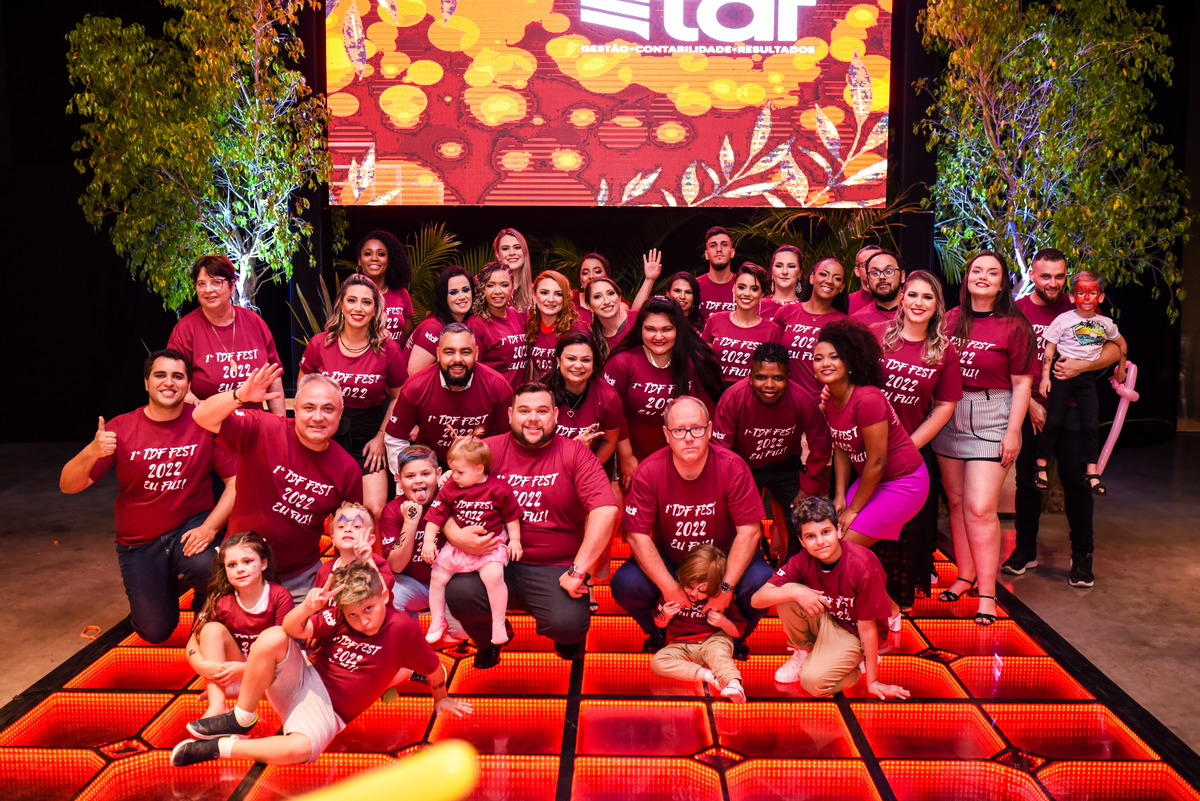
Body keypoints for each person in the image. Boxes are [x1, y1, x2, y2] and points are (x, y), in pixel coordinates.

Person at [171, 561, 472, 767]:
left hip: (329, 711)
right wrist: (307, 607)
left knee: (300, 749)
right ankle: (241, 717)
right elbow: (291, 629)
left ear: (384, 596)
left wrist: (441, 697)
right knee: (274, 636)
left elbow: (434, 667)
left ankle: (218, 748)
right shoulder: (340, 614)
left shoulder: (402, 628)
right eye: (353, 614)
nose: (363, 620)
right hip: (304, 677)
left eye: (369, 609)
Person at [60, 349, 238, 643]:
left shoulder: (204, 423)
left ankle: (204, 615)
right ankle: (160, 586)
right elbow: (69, 485)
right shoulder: (121, 427)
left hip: (190, 525)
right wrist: (92, 451)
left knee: (209, 568)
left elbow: (235, 483)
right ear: (146, 382)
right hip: (140, 541)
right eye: (160, 375)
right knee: (154, 630)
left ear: (188, 385)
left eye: (177, 376)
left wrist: (210, 527)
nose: (169, 382)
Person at [444, 383, 621, 668]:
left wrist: (578, 571)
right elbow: (445, 500)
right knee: (458, 593)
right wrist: (456, 535)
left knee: (568, 624)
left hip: (555, 566)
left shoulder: (575, 453)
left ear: (556, 415)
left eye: (542, 411)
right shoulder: (486, 451)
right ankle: (492, 638)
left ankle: (565, 638)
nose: (533, 419)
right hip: (495, 558)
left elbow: (605, 509)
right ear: (510, 415)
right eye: (524, 411)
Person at [614, 396, 773, 660]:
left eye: (696, 429)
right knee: (626, 583)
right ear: (666, 434)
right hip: (673, 562)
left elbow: (750, 531)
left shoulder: (733, 466)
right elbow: (636, 535)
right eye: (679, 430)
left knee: (763, 580)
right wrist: (669, 588)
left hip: (723, 561)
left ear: (709, 430)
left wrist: (725, 587)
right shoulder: (650, 470)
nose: (688, 438)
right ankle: (658, 632)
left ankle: (736, 637)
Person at [193, 365, 363, 601]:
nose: (318, 417)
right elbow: (201, 416)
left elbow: (353, 528)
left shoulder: (348, 469)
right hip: (241, 568)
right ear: (296, 408)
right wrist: (239, 396)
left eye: (328, 409)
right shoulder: (264, 428)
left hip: (300, 578)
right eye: (309, 408)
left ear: (340, 413)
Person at [1007, 249, 1121, 586]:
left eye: (1059, 276)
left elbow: (1113, 349)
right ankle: (1025, 550)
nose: (1053, 283)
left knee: (1076, 482)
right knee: (1027, 482)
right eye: (1045, 276)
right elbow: (1004, 362)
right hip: (1030, 408)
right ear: (1032, 275)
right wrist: (1029, 404)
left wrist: (1081, 366)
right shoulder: (1017, 311)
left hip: (1071, 409)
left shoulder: (1082, 308)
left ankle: (1082, 556)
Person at [933, 251, 1035, 625]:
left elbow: (1022, 384)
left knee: (979, 507)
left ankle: (988, 594)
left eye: (992, 272)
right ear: (967, 278)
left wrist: (1013, 432)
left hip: (993, 415)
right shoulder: (949, 320)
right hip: (949, 412)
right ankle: (965, 575)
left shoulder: (1015, 326)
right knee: (957, 502)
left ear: (1002, 283)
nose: (983, 276)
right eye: (977, 270)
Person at [751, 496, 910, 699]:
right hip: (829, 619)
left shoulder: (862, 565)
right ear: (801, 541)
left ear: (839, 531)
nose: (820, 542)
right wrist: (796, 592)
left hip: (856, 632)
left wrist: (872, 681)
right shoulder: (802, 560)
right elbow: (757, 599)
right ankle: (805, 652)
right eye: (811, 536)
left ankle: (859, 664)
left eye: (826, 532)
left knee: (812, 683)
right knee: (786, 591)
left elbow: (868, 627)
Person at [873, 271, 962, 607]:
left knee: (904, 531)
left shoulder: (944, 350)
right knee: (867, 525)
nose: (918, 303)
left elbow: (945, 405)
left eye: (928, 297)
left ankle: (895, 604)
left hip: (912, 449)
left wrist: (907, 447)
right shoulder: (877, 336)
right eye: (912, 295)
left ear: (937, 305)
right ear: (902, 298)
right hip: (866, 448)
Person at [815, 319, 930, 572]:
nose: (825, 363)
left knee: (840, 548)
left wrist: (853, 510)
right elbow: (842, 447)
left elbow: (878, 460)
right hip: (873, 480)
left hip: (904, 482)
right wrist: (840, 495)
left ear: (850, 361)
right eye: (818, 358)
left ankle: (872, 597)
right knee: (831, 541)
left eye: (834, 357)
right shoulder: (832, 399)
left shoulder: (867, 398)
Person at [298, 275, 407, 523]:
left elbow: (398, 396)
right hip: (324, 431)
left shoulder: (388, 349)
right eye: (352, 300)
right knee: (324, 509)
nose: (358, 308)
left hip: (368, 434)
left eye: (366, 302)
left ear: (375, 309)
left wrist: (381, 438)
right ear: (341, 305)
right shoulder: (319, 343)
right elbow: (304, 391)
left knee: (374, 509)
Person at [712, 342, 832, 561]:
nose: (769, 385)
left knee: (800, 519)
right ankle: (746, 566)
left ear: (788, 377)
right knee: (736, 523)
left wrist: (807, 487)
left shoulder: (802, 399)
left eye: (778, 378)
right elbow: (720, 450)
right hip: (743, 467)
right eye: (761, 377)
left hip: (785, 466)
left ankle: (791, 571)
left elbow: (821, 446)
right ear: (750, 376)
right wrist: (729, 488)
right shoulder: (733, 397)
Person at [603, 297, 726, 478]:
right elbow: (615, 416)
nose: (658, 337)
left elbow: (710, 412)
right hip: (636, 457)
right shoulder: (621, 362)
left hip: (688, 455)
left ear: (678, 330)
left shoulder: (697, 360)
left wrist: (700, 457)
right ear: (640, 329)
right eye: (650, 329)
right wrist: (626, 457)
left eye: (667, 329)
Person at [422, 436, 522, 645]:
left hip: (490, 544)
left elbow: (511, 517)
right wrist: (429, 542)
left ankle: (498, 623)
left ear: (478, 469)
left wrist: (515, 540)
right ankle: (438, 620)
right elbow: (435, 517)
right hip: (458, 546)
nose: (454, 476)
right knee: (438, 576)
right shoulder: (451, 487)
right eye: (452, 470)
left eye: (460, 472)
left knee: (493, 576)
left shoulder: (499, 488)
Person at [1036, 271, 1128, 497]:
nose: (1087, 298)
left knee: (1091, 423)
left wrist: (1121, 370)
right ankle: (1041, 465)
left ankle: (1092, 471)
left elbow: (1121, 345)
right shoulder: (1063, 320)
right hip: (1062, 372)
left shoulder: (1105, 323)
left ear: (1101, 297)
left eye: (1092, 293)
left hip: (1086, 377)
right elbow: (1049, 349)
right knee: (1054, 419)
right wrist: (1046, 377)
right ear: (1071, 296)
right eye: (1081, 293)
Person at [186, 532, 294, 718]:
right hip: (235, 668)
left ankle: (241, 691)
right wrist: (201, 665)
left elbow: (285, 652)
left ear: (264, 563)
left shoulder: (279, 596)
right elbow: (193, 641)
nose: (240, 569)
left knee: (279, 645)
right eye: (232, 565)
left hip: (270, 672)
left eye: (247, 561)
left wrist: (245, 670)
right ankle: (217, 705)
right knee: (210, 630)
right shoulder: (221, 599)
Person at [168, 255, 285, 415]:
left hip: (253, 422)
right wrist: (199, 406)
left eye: (216, 282)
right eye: (201, 284)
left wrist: (280, 423)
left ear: (232, 285)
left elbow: (274, 377)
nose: (208, 290)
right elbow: (175, 383)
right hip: (207, 423)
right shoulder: (185, 330)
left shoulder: (254, 322)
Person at [384, 323, 515, 466]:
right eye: (449, 352)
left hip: (481, 466)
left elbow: (510, 440)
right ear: (438, 354)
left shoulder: (498, 387)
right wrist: (408, 475)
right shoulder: (416, 386)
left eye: (465, 352)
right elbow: (395, 437)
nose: (457, 359)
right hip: (431, 467)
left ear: (476, 353)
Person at [379, 445, 468, 640]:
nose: (418, 480)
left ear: (438, 474)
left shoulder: (450, 500)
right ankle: (409, 641)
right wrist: (410, 522)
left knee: (463, 632)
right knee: (389, 593)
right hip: (414, 584)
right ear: (398, 479)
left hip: (450, 584)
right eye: (410, 476)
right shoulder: (392, 510)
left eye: (425, 474)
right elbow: (396, 566)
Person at [650, 544, 747, 703]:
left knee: (718, 654)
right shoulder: (673, 593)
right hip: (680, 645)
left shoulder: (719, 598)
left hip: (712, 640)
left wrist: (723, 622)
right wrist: (665, 616)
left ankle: (735, 685)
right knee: (657, 662)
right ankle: (709, 676)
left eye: (702, 590)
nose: (694, 594)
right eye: (689, 587)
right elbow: (659, 624)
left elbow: (737, 632)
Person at [773, 256, 847, 401]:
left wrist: (825, 404)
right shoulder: (786, 312)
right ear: (812, 278)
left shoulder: (844, 323)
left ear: (841, 287)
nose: (829, 281)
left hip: (821, 403)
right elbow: (771, 357)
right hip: (782, 400)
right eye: (823, 274)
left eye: (837, 278)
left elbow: (845, 372)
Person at [701, 262, 782, 384]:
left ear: (762, 294)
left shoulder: (772, 330)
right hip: (715, 389)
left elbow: (773, 372)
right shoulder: (715, 320)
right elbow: (703, 362)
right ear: (733, 288)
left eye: (754, 289)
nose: (747, 293)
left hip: (752, 392)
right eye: (741, 287)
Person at [405, 266, 476, 375]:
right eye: (453, 292)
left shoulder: (465, 322)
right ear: (444, 297)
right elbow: (414, 374)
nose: (462, 297)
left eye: (466, 290)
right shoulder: (434, 328)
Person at [314, 502, 395, 597]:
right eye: (341, 526)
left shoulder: (380, 565)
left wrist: (368, 561)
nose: (347, 529)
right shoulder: (325, 571)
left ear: (370, 539)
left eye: (356, 526)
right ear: (333, 539)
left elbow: (383, 598)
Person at [470, 262, 528, 388]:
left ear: (512, 288)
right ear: (482, 289)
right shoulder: (475, 324)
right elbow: (472, 371)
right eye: (490, 285)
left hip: (518, 396)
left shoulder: (517, 316)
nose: (498, 291)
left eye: (504, 285)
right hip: (492, 396)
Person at [355, 230, 414, 343]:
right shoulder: (351, 294)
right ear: (359, 261)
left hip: (396, 354)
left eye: (381, 254)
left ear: (389, 260)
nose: (374, 258)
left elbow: (407, 337)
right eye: (368, 254)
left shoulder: (402, 294)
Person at [526, 270, 588, 379]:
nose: (551, 299)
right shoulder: (532, 325)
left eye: (558, 294)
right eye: (544, 293)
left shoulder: (576, 328)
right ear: (534, 295)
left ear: (565, 298)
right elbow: (537, 371)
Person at [585, 276, 638, 362]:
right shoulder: (592, 339)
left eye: (610, 293)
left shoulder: (640, 318)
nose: (606, 301)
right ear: (589, 306)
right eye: (597, 296)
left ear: (619, 297)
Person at [851, 249, 905, 328]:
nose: (882, 277)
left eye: (889, 271)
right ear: (868, 281)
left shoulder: (917, 315)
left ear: (902, 276)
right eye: (875, 273)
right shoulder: (856, 322)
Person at [696, 226, 737, 320]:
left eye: (724, 244)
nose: (719, 249)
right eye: (713, 245)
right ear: (706, 254)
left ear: (732, 253)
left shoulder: (744, 287)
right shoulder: (694, 286)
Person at [494, 228, 534, 313]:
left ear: (525, 252)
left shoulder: (536, 293)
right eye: (505, 248)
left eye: (517, 247)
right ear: (498, 254)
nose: (512, 253)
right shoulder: (484, 287)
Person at [759, 245, 805, 319]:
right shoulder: (757, 306)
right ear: (772, 271)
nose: (784, 272)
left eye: (791, 266)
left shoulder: (808, 309)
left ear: (800, 273)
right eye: (779, 266)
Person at [848, 244, 883, 315]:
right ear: (857, 271)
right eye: (866, 263)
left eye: (878, 263)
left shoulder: (902, 300)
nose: (873, 268)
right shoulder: (845, 303)